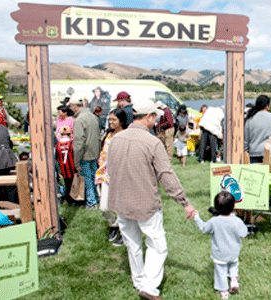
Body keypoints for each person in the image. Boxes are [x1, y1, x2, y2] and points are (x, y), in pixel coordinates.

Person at [107, 99, 196, 300]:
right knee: (157, 245)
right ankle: (149, 288)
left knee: (133, 244)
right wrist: (185, 203)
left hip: (121, 201)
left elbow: (110, 171)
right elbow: (166, 175)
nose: (156, 120)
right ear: (148, 117)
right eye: (155, 117)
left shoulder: (116, 140)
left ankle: (139, 281)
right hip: (145, 202)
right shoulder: (152, 142)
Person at [193, 191, 248, 299]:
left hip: (220, 254)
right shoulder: (237, 221)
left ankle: (223, 291)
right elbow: (244, 233)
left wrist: (196, 218)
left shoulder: (214, 221)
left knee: (221, 272)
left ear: (216, 208)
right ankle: (234, 281)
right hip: (233, 252)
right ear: (234, 206)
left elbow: (204, 229)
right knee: (233, 265)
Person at [95, 108, 128, 245]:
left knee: (121, 207)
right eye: (109, 119)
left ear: (121, 121)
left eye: (114, 120)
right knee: (104, 207)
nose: (110, 122)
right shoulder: (108, 135)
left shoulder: (126, 136)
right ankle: (114, 224)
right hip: (106, 175)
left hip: (121, 176)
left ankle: (124, 232)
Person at [69, 99, 101, 209]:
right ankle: (96, 198)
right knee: (93, 178)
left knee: (86, 179)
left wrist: (76, 161)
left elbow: (78, 142)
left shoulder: (79, 120)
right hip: (94, 153)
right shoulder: (93, 117)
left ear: (74, 106)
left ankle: (91, 203)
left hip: (84, 154)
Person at [244, 95, 271, 163]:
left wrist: (246, 152)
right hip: (269, 152)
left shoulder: (250, 119)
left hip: (253, 154)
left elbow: (246, 140)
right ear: (267, 105)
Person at [0, 113, 18, 202]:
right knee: (9, 186)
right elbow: (10, 144)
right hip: (8, 159)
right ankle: (14, 206)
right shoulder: (2, 128)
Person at [55, 126, 76, 206]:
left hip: (63, 168)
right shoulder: (71, 144)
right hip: (72, 168)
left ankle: (68, 200)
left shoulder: (57, 146)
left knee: (66, 184)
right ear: (70, 134)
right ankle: (73, 199)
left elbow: (56, 158)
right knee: (72, 184)